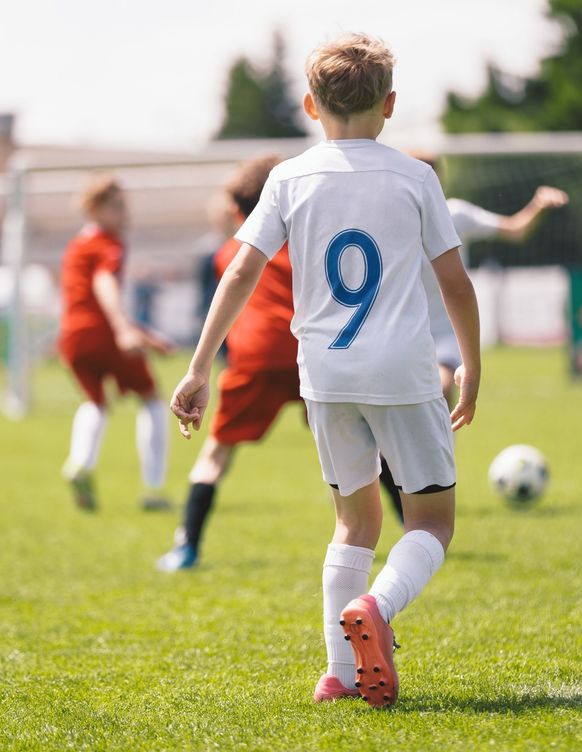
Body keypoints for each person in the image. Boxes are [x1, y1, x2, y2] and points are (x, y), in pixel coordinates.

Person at [170, 34, 480, 709]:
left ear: (310, 105)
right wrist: (473, 365)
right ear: (390, 104)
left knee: (352, 524)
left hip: (325, 374)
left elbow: (242, 270)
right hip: (401, 370)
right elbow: (454, 284)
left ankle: (339, 674)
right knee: (430, 523)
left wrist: (198, 368)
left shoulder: (288, 176)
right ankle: (377, 604)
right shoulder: (415, 177)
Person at [380, 156, 569, 521]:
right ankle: (399, 473)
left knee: (440, 388)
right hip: (402, 334)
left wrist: (537, 204)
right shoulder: (387, 218)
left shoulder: (456, 214)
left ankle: (424, 478)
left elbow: (515, 229)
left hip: (446, 333)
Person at [157, 155, 301, 572]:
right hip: (308, 353)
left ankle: (186, 547)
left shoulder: (230, 252)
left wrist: (200, 366)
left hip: (255, 358)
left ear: (238, 210)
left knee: (216, 454)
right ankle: (414, 528)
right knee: (360, 447)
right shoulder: (303, 243)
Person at [59, 174, 171, 511]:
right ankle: (152, 488)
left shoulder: (76, 245)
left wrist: (145, 335)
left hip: (73, 336)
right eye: (117, 207)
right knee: (151, 399)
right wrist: (124, 329)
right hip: (104, 333)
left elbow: (85, 299)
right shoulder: (108, 243)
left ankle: (79, 464)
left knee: (94, 402)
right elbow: (104, 284)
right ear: (95, 209)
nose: (125, 215)